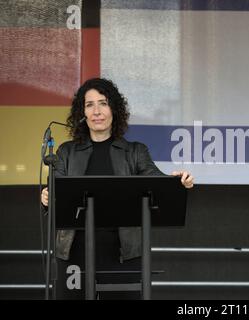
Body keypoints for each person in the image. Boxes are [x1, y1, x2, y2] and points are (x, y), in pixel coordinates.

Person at [41, 78, 194, 299]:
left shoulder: (136, 152)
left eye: (103, 103)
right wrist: (47, 197)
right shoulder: (66, 152)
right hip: (74, 252)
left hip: (124, 253)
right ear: (81, 113)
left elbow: (158, 183)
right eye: (89, 104)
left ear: (114, 109)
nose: (97, 111)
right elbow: (56, 194)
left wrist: (179, 182)